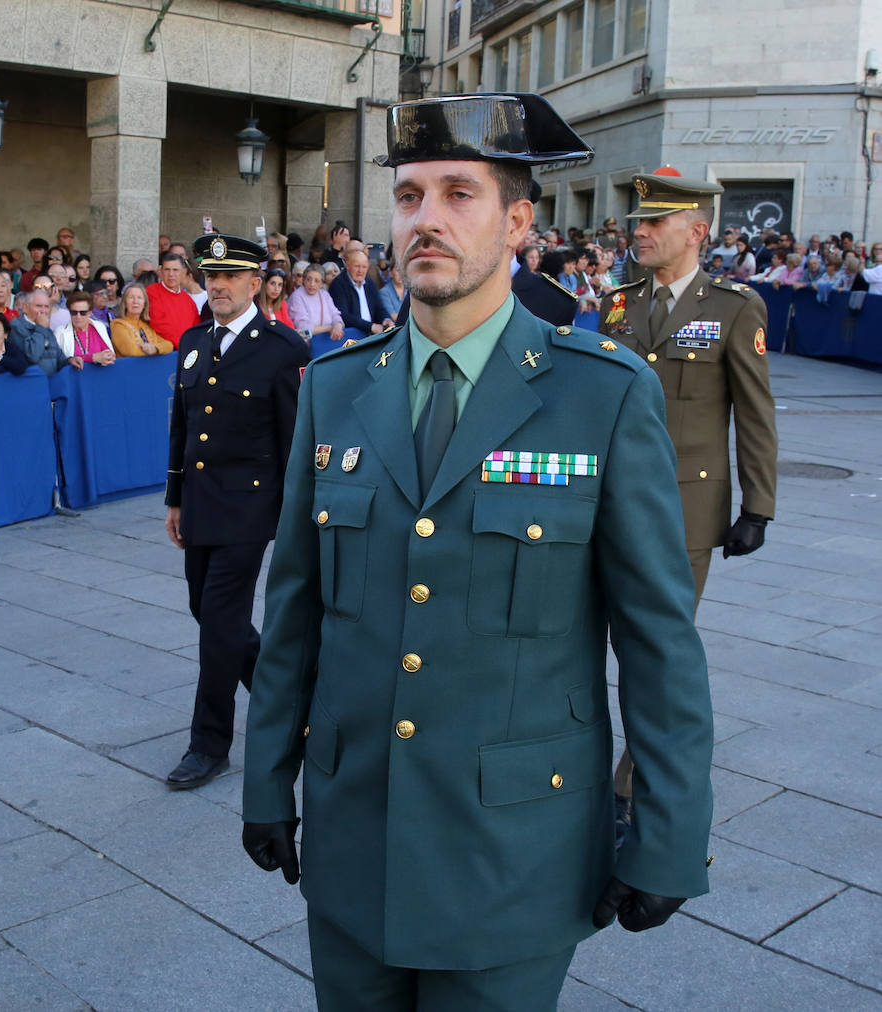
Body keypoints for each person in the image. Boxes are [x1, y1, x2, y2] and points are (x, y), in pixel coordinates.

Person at [241, 94, 714, 1011]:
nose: (427, 219)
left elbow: (659, 640)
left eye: (461, 193)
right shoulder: (336, 389)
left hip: (513, 852)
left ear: (519, 222)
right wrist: (267, 778)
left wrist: (667, 831)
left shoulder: (599, 395)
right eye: (411, 196)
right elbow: (294, 608)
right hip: (354, 837)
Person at [598, 168, 776, 846]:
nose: (636, 231)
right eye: (637, 221)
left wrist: (758, 504)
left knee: (656, 652)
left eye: (653, 223)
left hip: (684, 508)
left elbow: (754, 414)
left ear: (695, 231)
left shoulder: (734, 306)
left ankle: (629, 786)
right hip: (608, 501)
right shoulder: (620, 303)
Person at [163, 233, 309, 790]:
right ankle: (289, 701)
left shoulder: (283, 348)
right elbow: (182, 425)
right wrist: (175, 498)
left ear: (257, 284)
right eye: (210, 276)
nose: (217, 285)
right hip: (200, 504)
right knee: (209, 613)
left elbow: (295, 438)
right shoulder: (194, 340)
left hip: (250, 507)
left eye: (229, 277)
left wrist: (294, 516)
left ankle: (209, 745)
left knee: (219, 621)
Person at [9, 285, 75, 374]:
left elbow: (59, 359)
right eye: (39, 306)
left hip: (50, 384)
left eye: (46, 306)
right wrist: (41, 328)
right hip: (30, 384)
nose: (43, 311)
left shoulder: (46, 328)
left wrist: (70, 360)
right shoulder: (16, 327)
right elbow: (32, 356)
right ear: (25, 308)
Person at [329, 249, 389, 336]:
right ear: (348, 265)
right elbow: (343, 315)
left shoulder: (369, 283)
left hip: (371, 335)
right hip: (350, 337)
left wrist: (386, 319)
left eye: (364, 267)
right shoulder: (338, 284)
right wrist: (370, 326)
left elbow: (379, 308)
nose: (360, 270)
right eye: (357, 266)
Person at [147, 251, 200, 348]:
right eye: (167, 269)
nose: (171, 274)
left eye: (175, 270)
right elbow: (158, 325)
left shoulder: (188, 300)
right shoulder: (151, 292)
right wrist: (184, 345)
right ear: (161, 271)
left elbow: (196, 328)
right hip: (163, 353)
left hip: (186, 351)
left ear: (183, 272)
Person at [109, 281, 173, 357]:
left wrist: (155, 348)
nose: (135, 301)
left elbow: (169, 345)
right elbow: (131, 351)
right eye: (131, 297)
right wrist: (153, 352)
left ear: (144, 304)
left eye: (139, 298)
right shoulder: (118, 325)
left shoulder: (147, 325)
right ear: (125, 303)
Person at [55, 289, 116, 366]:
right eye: (74, 312)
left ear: (90, 313)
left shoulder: (99, 327)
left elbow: (110, 354)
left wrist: (107, 357)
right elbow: (61, 361)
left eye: (83, 313)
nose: (78, 316)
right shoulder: (60, 332)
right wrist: (93, 358)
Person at [287, 264, 344, 341]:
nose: (312, 284)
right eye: (308, 279)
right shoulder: (297, 296)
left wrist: (338, 324)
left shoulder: (325, 294)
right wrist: (330, 327)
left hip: (327, 342)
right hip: (307, 344)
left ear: (322, 283)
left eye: (317, 281)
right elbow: (303, 327)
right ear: (303, 279)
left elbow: (335, 314)